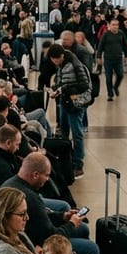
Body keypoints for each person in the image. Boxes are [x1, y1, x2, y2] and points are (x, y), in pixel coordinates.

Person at [0, 154, 98, 254]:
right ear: (35, 174)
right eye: (46, 175)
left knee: (83, 229)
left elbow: (38, 217)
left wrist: (62, 216)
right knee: (91, 249)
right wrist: (71, 224)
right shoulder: (30, 198)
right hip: (37, 243)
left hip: (31, 234)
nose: (47, 179)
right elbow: (51, 236)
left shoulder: (13, 184)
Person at [47, 44, 90, 179]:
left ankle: (78, 164)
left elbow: (84, 85)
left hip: (75, 104)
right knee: (63, 131)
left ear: (62, 56)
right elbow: (60, 82)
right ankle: (66, 160)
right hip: (64, 102)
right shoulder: (62, 65)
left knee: (77, 133)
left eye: (55, 60)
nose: (54, 63)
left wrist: (63, 89)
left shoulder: (75, 66)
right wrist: (57, 89)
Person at [97, 18, 127, 101]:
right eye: (113, 25)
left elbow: (125, 45)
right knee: (108, 77)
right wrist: (98, 57)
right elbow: (100, 46)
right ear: (109, 26)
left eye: (117, 25)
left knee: (120, 75)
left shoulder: (121, 34)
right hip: (108, 59)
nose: (115, 27)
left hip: (118, 59)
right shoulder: (106, 35)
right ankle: (110, 94)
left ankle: (116, 87)